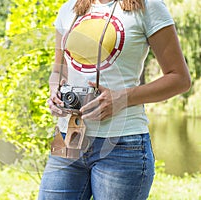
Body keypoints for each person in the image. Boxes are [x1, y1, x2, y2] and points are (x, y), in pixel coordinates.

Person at [39, 0, 191, 199]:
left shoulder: (147, 6)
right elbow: (59, 70)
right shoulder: (70, 8)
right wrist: (55, 93)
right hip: (69, 139)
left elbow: (179, 79)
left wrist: (122, 98)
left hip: (122, 146)